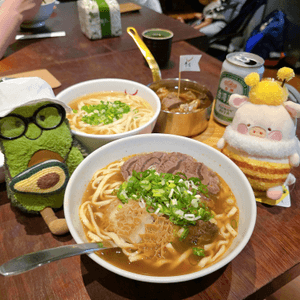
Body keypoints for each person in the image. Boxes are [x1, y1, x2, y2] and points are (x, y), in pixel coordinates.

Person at [178, 0, 247, 38]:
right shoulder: (215, 4)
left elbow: (207, 22)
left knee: (197, 32)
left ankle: (187, 29)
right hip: (214, 20)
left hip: (217, 23)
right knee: (195, 25)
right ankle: (186, 28)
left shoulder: (210, 7)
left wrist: (194, 29)